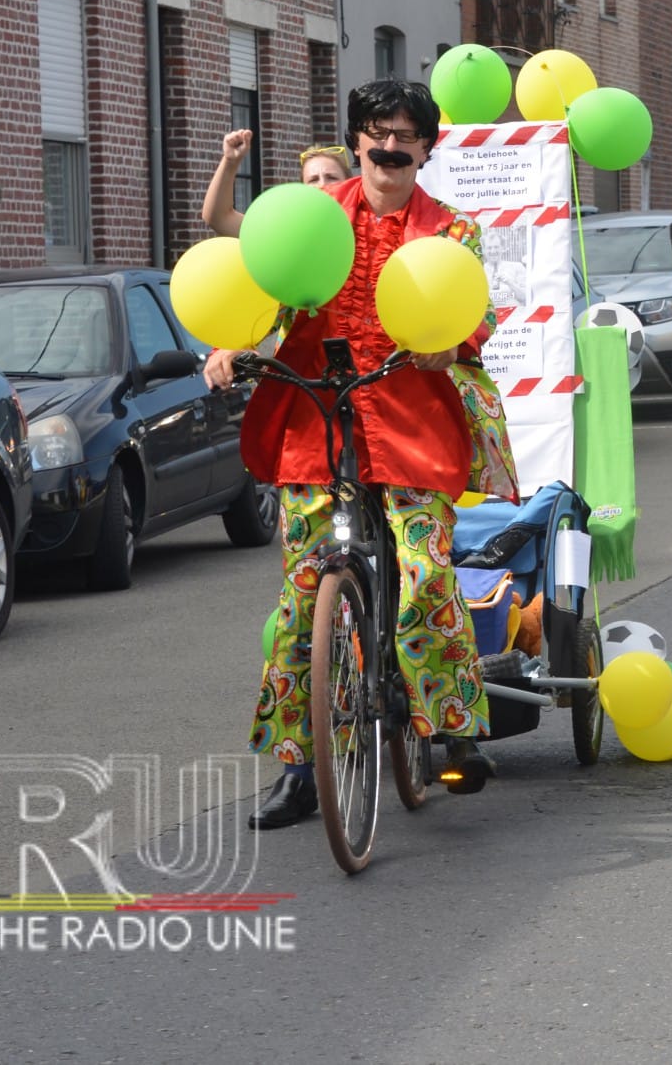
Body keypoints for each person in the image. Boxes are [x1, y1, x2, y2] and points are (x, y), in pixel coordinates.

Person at [202, 80, 518, 828]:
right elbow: (263, 290)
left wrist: (455, 341)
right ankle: (299, 769)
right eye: (377, 132)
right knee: (298, 604)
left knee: (426, 578)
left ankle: (448, 727)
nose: (390, 146)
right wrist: (229, 341)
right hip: (317, 419)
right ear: (356, 142)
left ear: (427, 148)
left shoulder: (450, 230)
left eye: (406, 135)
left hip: (413, 421)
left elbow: (478, 308)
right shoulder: (313, 219)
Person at [201, 131, 352, 235]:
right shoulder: (288, 232)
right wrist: (230, 161)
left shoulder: (365, 225)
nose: (322, 185)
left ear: (348, 183)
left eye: (331, 177)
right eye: (313, 180)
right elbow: (218, 218)